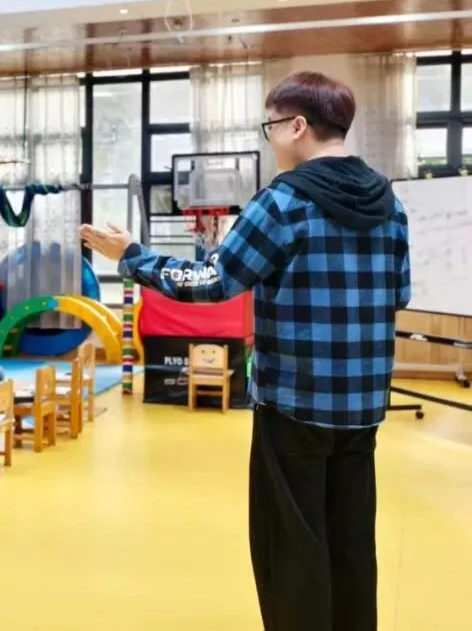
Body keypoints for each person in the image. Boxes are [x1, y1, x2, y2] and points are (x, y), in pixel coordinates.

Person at [81, 71, 410, 631]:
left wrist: (133, 256)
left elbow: (213, 280)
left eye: (270, 126)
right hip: (362, 407)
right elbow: (397, 294)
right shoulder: (389, 203)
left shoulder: (283, 201)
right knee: (352, 542)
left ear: (297, 126)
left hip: (294, 405)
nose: (270, 138)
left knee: (293, 550)